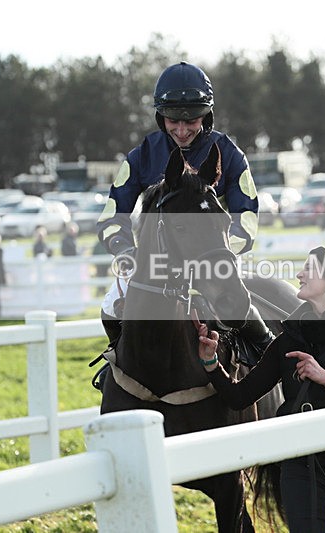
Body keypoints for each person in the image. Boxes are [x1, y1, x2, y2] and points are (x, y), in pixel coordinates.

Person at [197, 246, 325, 532]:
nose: (299, 274)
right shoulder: (288, 339)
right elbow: (240, 397)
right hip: (300, 467)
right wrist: (211, 363)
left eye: (309, 269)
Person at [94, 61, 270, 355]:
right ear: (160, 117)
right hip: (155, 264)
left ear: (207, 116)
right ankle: (118, 361)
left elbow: (247, 221)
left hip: (213, 258)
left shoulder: (229, 154)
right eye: (173, 120)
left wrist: (213, 256)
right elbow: (112, 218)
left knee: (239, 307)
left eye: (192, 121)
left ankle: (268, 352)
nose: (182, 129)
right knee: (111, 306)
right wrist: (126, 252)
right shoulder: (141, 156)